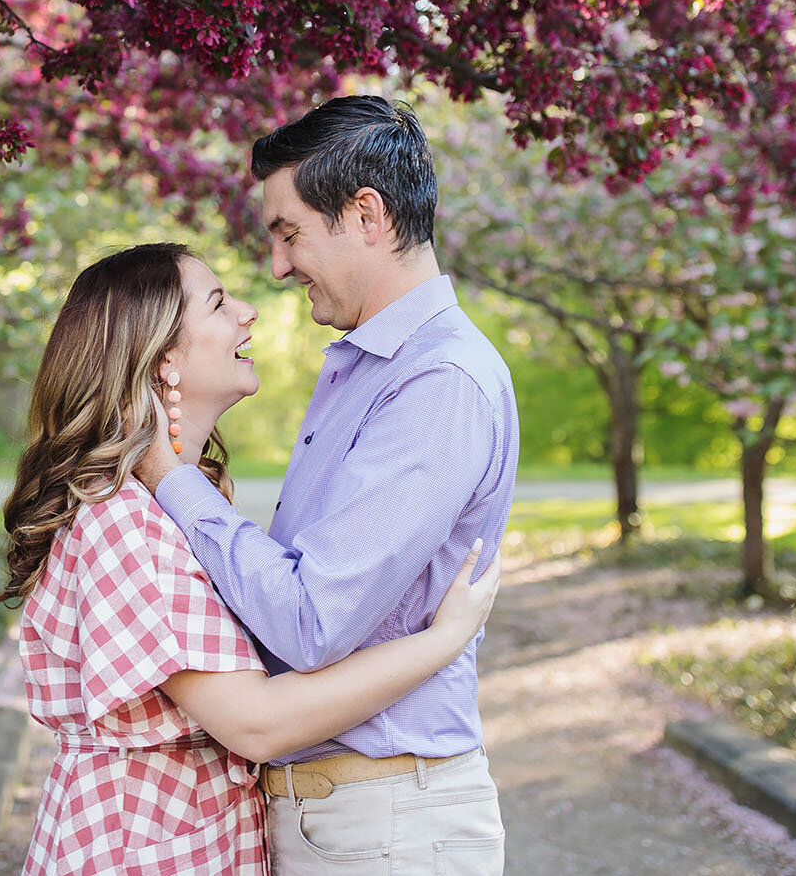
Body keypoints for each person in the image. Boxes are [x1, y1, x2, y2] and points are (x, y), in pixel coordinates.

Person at [0, 242, 501, 875]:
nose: (248, 312)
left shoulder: (169, 506)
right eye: (216, 302)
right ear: (163, 359)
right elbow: (257, 724)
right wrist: (444, 639)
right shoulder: (123, 521)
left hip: (176, 834)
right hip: (143, 846)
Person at [133, 96, 520, 875]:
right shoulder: (364, 366)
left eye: (288, 232)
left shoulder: (436, 381)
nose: (277, 264)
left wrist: (172, 478)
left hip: (386, 824)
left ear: (367, 214)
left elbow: (311, 621)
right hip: (346, 817)